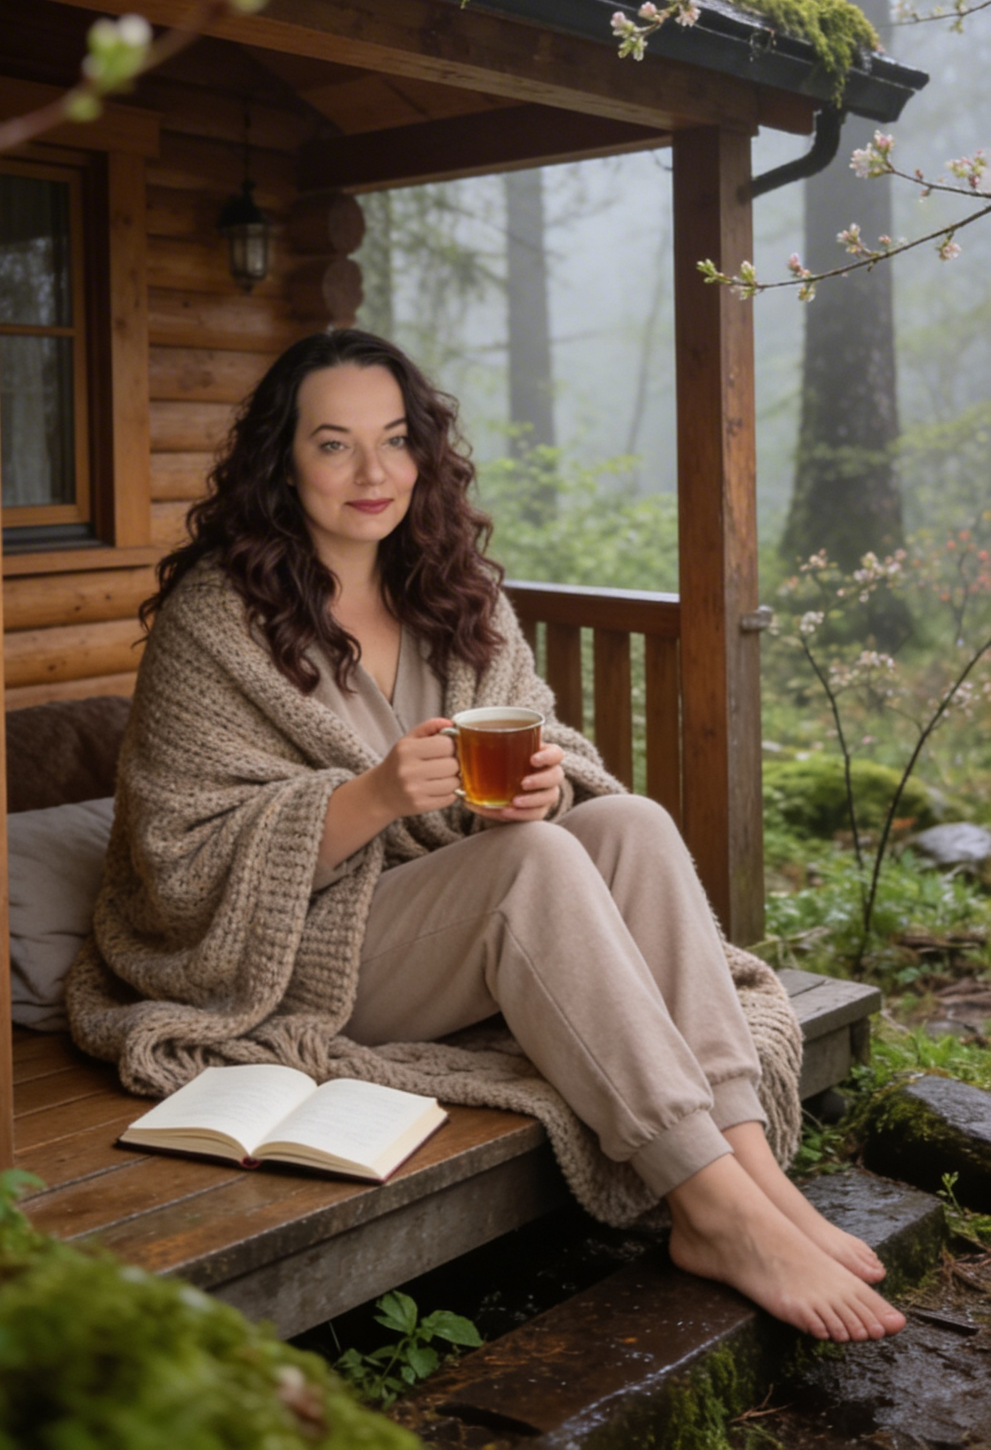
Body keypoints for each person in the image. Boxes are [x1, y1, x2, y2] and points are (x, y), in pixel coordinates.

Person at [67, 330, 903, 1345]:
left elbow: (542, 741)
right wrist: (372, 796)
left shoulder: (453, 588)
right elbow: (175, 864)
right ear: (281, 462)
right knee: (534, 865)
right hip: (297, 951)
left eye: (395, 440)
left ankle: (756, 1170)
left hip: (435, 907)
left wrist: (540, 788)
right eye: (334, 445)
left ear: (426, 452)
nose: (374, 474)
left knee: (627, 822)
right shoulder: (215, 622)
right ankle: (712, 1213)